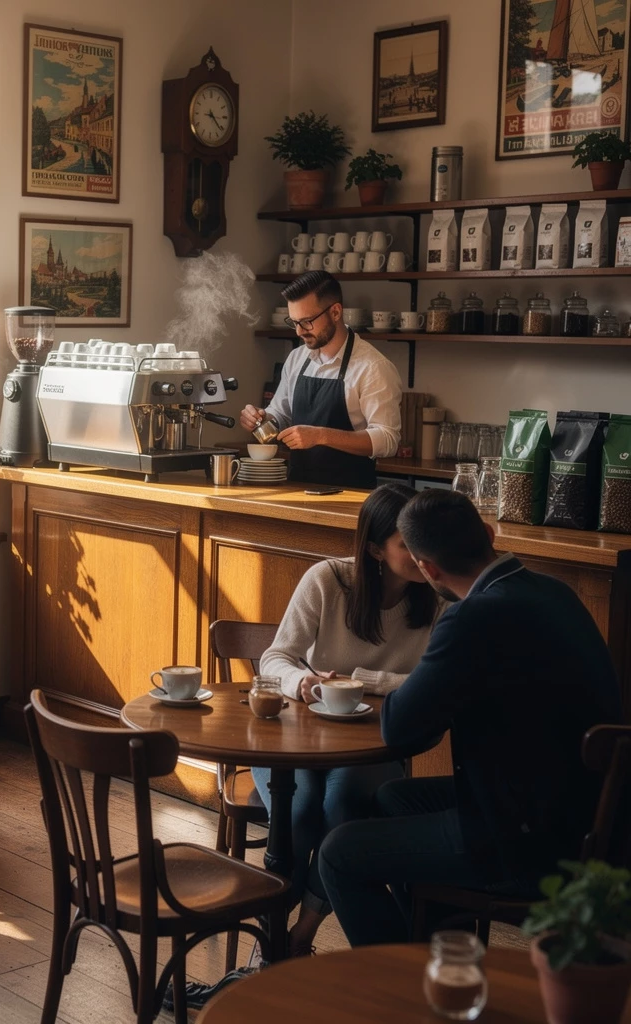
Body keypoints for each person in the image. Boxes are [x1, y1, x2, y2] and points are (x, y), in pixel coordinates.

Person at [319, 489, 622, 947]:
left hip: (529, 840)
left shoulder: (472, 617)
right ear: (488, 533)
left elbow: (398, 727)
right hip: (593, 815)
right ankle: (438, 953)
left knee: (337, 853)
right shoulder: (554, 591)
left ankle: (401, 985)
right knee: (393, 798)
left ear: (428, 569)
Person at [251, 483, 440, 957]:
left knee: (341, 813)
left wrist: (362, 679)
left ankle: (299, 937)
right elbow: (275, 658)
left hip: (374, 742)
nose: (423, 554)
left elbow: (433, 685)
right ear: (375, 549)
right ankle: (270, 943)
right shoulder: (328, 581)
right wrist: (303, 684)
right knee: (297, 813)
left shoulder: (438, 598)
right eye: (407, 544)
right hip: (296, 737)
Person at [239, 271, 402, 489]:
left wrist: (321, 435)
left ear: (335, 312)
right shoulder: (297, 358)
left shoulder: (373, 367)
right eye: (294, 322)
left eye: (307, 322)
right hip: (296, 489)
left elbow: (387, 440)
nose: (299, 332)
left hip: (350, 494)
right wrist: (261, 418)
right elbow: (281, 413)